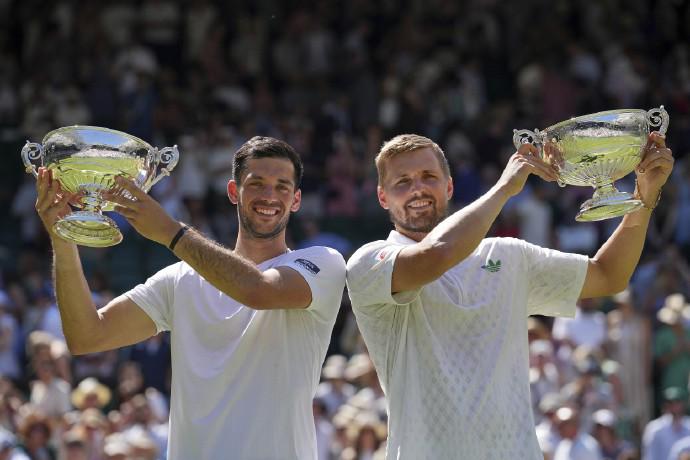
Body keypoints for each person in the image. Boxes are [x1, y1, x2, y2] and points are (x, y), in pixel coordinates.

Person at [346, 132, 673, 458]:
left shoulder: (507, 256)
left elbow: (609, 275)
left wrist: (644, 195)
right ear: (382, 197)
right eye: (402, 182)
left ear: (449, 187)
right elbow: (437, 255)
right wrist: (504, 188)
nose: (417, 188)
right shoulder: (369, 263)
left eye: (428, 176)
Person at [34, 136, 346, 459]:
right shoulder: (180, 280)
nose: (270, 196)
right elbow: (87, 336)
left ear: (296, 200)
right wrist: (62, 238)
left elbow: (259, 291)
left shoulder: (324, 263)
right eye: (257, 184)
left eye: (282, 187)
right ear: (233, 192)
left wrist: (171, 231)